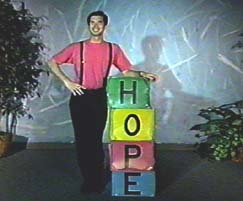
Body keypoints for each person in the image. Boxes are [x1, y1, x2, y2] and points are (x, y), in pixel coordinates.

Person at [48, 10, 157, 194]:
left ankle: (97, 179)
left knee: (95, 140)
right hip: (80, 96)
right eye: (92, 22)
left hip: (99, 97)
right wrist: (67, 81)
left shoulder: (113, 49)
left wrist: (142, 74)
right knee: (83, 141)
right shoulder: (77, 47)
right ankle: (88, 180)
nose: (95, 26)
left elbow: (127, 71)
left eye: (99, 22)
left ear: (105, 26)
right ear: (88, 25)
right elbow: (52, 62)